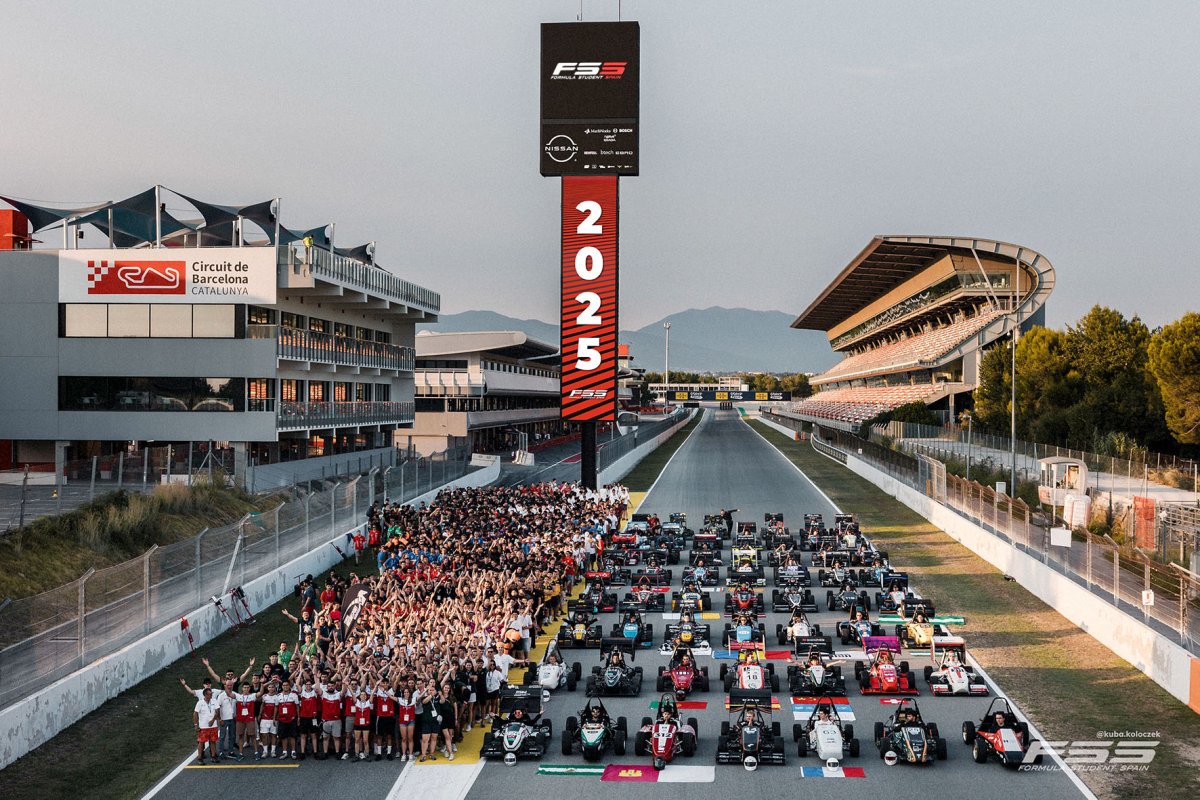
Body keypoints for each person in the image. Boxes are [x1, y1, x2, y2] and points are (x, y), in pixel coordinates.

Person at [193, 687, 221, 765]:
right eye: (210, 694)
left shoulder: (214, 701)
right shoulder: (200, 703)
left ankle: (213, 756)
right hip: (203, 727)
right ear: (205, 695)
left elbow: (218, 711)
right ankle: (199, 758)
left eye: (211, 694)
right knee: (201, 742)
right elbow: (195, 714)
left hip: (213, 726)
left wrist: (213, 720)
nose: (211, 695)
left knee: (213, 741)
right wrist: (196, 725)